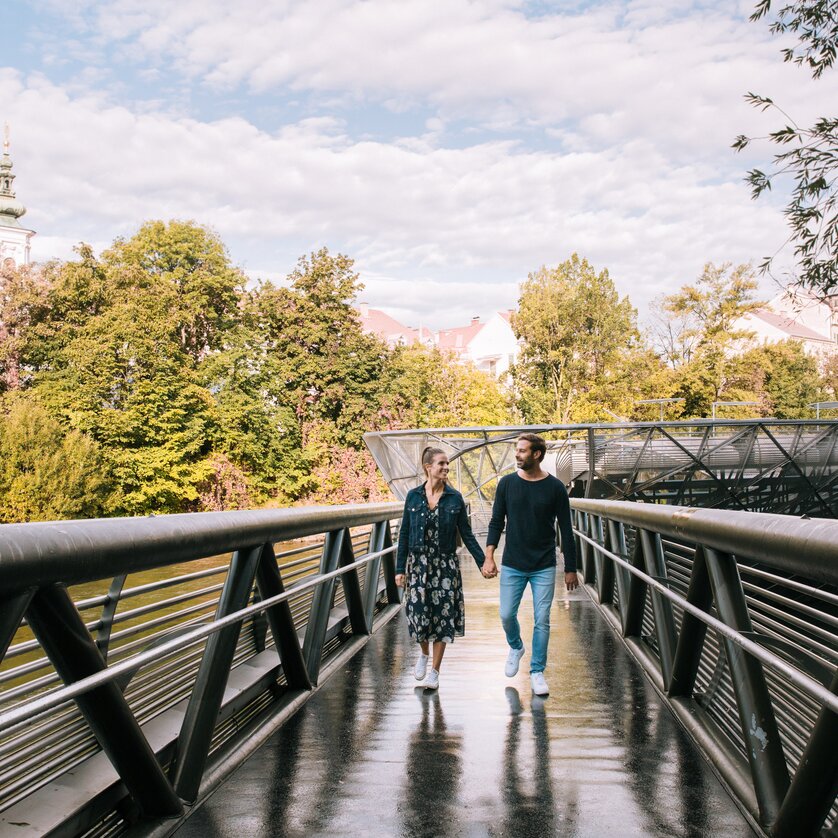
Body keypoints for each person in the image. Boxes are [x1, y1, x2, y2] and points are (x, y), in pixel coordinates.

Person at [481, 433, 578, 696]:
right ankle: (516, 646)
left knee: (542, 620)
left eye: (523, 451)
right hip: (513, 562)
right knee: (506, 614)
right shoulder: (507, 484)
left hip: (544, 564)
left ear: (537, 454)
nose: (517, 454)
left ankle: (537, 672)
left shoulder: (556, 488)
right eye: (517, 450)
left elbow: (566, 531)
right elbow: (495, 522)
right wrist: (489, 556)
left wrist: (571, 568)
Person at [395, 447, 486, 689]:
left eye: (447, 464)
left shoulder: (455, 499)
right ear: (428, 467)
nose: (446, 467)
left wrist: (482, 562)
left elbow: (466, 534)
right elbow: (404, 533)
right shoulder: (413, 497)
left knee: (443, 618)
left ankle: (435, 671)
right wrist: (399, 568)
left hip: (445, 566)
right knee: (417, 614)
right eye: (441, 464)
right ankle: (423, 653)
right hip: (418, 564)